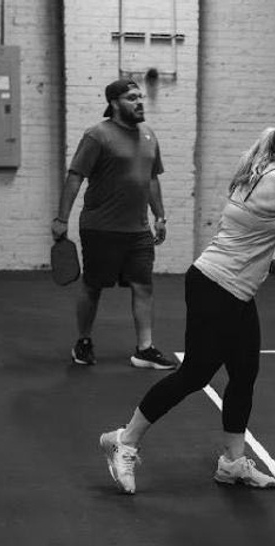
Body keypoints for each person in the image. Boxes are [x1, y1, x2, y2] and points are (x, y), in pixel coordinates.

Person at [97, 116, 275, 494]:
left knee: (244, 373)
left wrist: (269, 263)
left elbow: (243, 232)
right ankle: (124, 440)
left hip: (231, 289)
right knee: (194, 375)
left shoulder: (263, 172)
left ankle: (231, 463)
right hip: (217, 288)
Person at [51, 79, 178, 370]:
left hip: (138, 230)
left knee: (143, 286)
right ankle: (83, 342)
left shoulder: (148, 135)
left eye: (140, 97)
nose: (139, 101)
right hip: (101, 227)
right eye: (132, 97)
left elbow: (151, 179)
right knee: (93, 286)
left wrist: (160, 216)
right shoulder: (98, 135)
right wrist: (61, 219)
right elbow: (75, 176)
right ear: (114, 103)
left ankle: (145, 349)